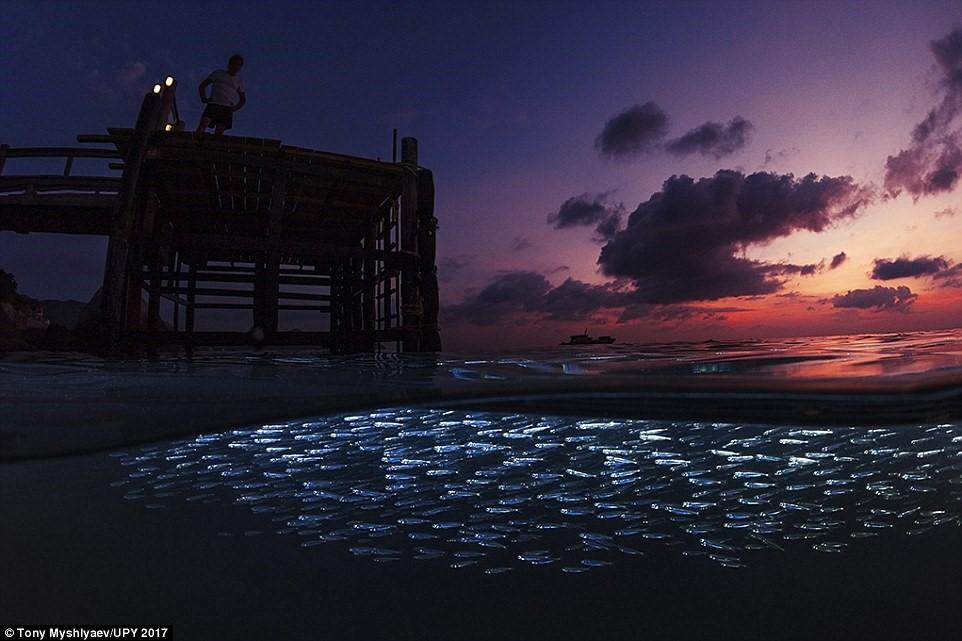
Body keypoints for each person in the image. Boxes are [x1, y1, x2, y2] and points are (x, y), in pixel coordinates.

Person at [196, 54, 246, 135]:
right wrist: (204, 98)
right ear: (229, 64)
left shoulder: (238, 81)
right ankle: (195, 143)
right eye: (234, 64)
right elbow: (203, 85)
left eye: (238, 65)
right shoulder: (218, 73)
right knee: (203, 124)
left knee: (219, 131)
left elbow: (243, 99)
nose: (236, 67)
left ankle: (213, 146)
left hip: (226, 108)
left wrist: (235, 108)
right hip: (214, 104)